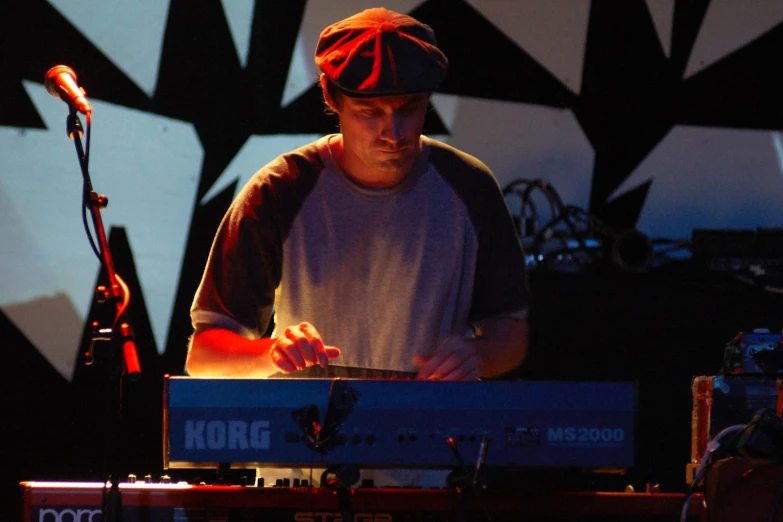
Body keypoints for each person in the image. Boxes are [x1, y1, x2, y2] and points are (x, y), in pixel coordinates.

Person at [185, 7, 530, 382]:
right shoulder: (280, 190)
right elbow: (204, 356)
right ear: (331, 96)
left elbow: (509, 332)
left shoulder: (470, 186)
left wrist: (478, 355)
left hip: (432, 426)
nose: (393, 132)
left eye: (408, 108)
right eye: (369, 112)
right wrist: (272, 352)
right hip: (307, 429)